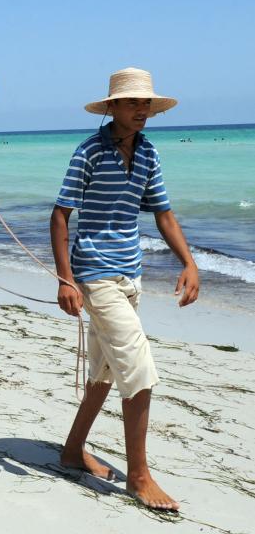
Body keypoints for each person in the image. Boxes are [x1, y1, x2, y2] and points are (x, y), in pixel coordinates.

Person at [50, 67, 199, 512]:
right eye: (133, 103)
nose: (142, 111)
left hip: (130, 276)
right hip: (94, 276)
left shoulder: (149, 154)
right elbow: (61, 216)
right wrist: (65, 279)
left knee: (105, 371)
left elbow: (163, 215)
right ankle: (139, 476)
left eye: (146, 104)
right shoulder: (88, 152)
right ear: (112, 107)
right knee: (138, 365)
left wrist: (189, 263)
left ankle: (73, 450)